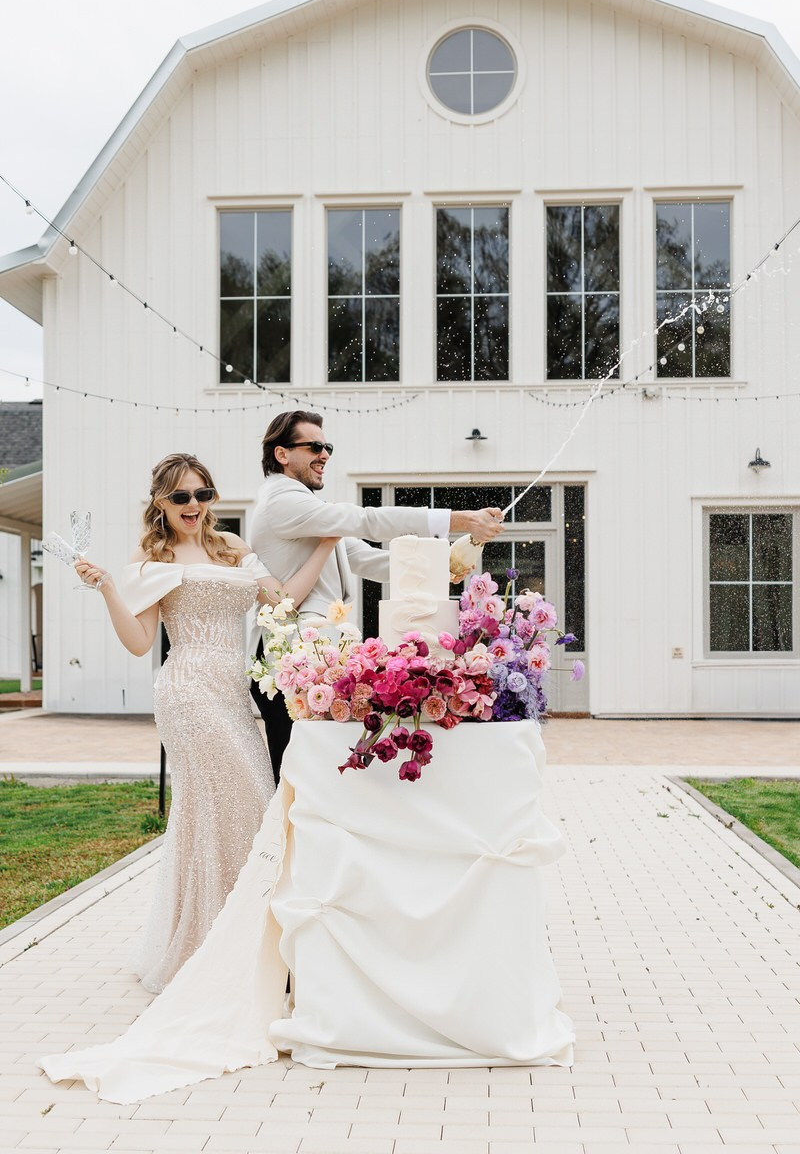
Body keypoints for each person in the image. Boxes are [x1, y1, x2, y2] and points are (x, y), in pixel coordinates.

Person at [76, 452, 337, 993]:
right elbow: (139, 642)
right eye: (181, 497)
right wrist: (107, 588)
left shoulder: (232, 548)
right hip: (188, 691)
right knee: (233, 801)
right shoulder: (152, 560)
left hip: (232, 693)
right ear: (160, 503)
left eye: (202, 494)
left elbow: (283, 603)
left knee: (243, 806)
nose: (193, 506)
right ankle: (214, 949)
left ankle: (247, 943)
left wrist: (327, 544)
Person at [249, 409, 504, 782]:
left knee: (315, 773)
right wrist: (457, 519)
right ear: (282, 454)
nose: (325, 455)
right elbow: (368, 520)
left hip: (311, 658)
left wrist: (438, 567)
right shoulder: (283, 502)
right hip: (285, 661)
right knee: (297, 774)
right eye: (315, 446)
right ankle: (282, 839)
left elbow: (363, 557)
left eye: (328, 447)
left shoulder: (307, 508)